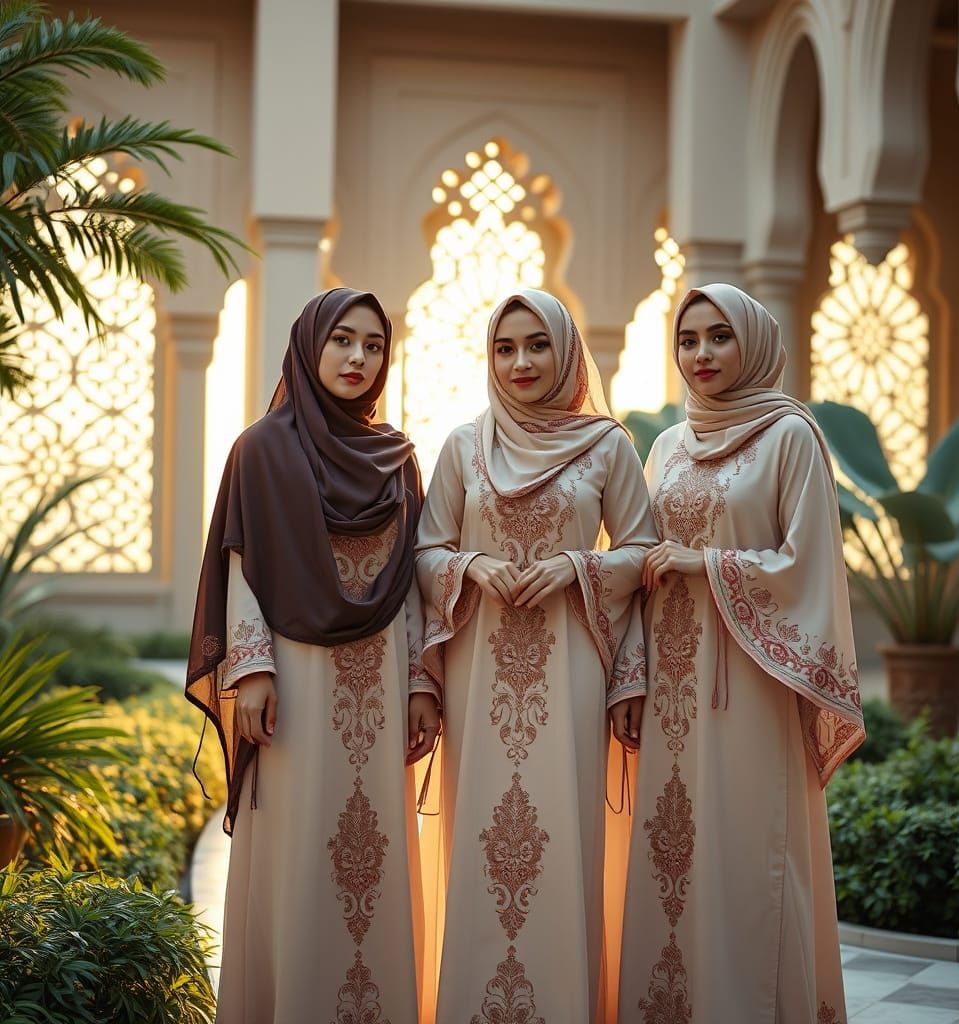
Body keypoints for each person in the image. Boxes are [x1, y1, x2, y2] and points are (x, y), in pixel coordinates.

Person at [185, 287, 440, 1024]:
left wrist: (423, 680)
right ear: (309, 345)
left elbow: (415, 579)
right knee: (300, 856)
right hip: (295, 684)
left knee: (373, 853)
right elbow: (242, 566)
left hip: (384, 687)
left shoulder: (398, 460)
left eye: (373, 344)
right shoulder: (260, 450)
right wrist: (254, 669)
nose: (358, 357)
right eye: (342, 341)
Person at [618, 283, 865, 1023]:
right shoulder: (666, 445)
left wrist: (709, 564)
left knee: (747, 849)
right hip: (672, 687)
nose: (701, 355)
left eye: (718, 337)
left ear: (752, 342)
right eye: (687, 340)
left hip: (753, 683)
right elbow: (637, 556)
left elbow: (810, 562)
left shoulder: (790, 436)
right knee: (675, 851)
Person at [415, 289, 657, 1022]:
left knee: (562, 842)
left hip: (571, 672)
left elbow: (645, 550)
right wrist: (471, 568)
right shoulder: (463, 444)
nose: (521, 362)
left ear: (566, 351)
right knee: (481, 841)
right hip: (479, 674)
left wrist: (580, 567)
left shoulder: (607, 444)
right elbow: (425, 549)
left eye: (537, 346)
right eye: (505, 348)